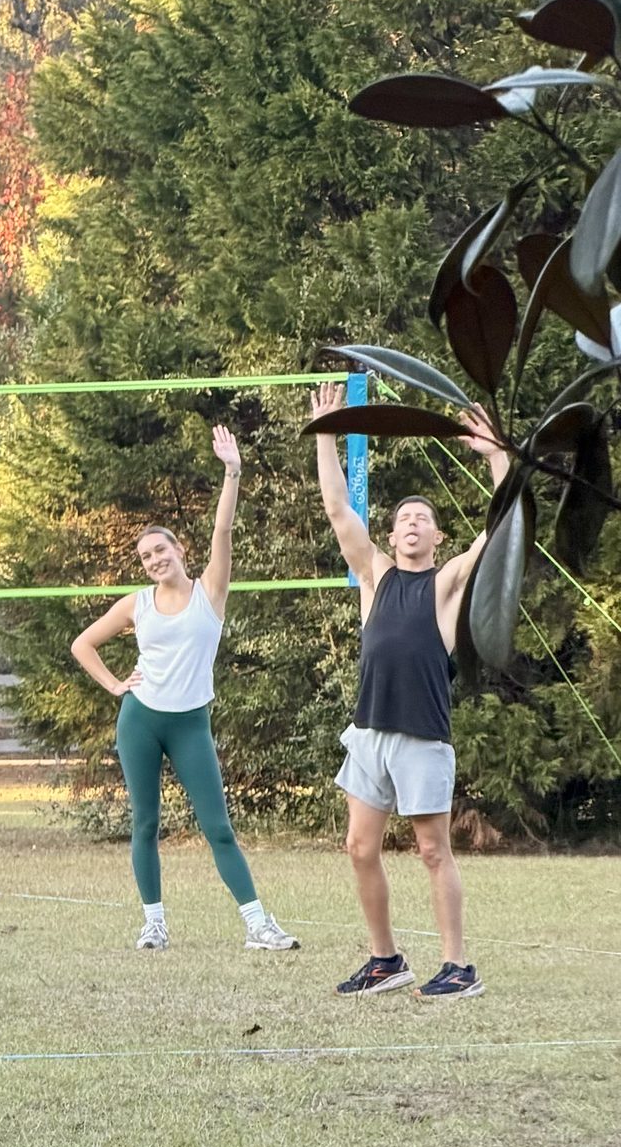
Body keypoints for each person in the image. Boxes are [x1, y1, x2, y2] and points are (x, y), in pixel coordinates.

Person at [311, 380, 511, 1001]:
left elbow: (501, 530)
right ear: (393, 537)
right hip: (369, 733)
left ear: (437, 538)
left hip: (422, 737)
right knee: (359, 846)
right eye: (403, 520)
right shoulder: (375, 575)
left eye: (423, 519)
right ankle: (385, 959)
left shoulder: (447, 584)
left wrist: (497, 457)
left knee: (431, 849)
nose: (412, 525)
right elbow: (340, 510)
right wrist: (326, 437)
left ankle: (458, 967)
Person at [70, 426, 297, 954]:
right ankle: (154, 924)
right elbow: (84, 644)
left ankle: (257, 924)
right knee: (145, 823)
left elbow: (223, 532)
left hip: (191, 722)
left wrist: (232, 471)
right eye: (146, 556)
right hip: (141, 720)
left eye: (160, 550)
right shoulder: (137, 603)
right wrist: (114, 686)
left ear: (178, 549)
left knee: (217, 826)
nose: (154, 560)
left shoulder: (209, 592)